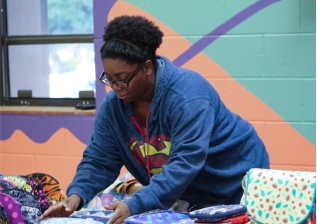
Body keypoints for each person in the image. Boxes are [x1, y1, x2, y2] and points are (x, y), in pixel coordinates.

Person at [39, 15, 270, 224]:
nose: (115, 88)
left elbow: (184, 164)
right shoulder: (114, 107)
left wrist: (136, 204)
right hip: (193, 192)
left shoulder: (188, 96)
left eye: (122, 78)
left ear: (147, 67)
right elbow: (99, 160)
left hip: (237, 182)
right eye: (108, 78)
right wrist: (75, 197)